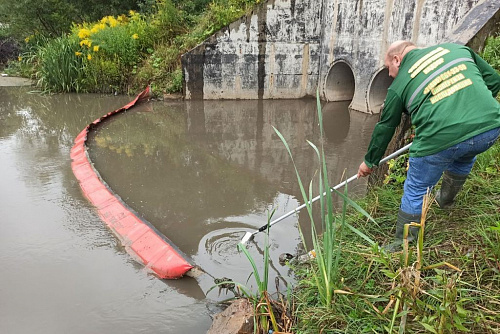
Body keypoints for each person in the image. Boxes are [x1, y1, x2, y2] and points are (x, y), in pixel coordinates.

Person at [357, 40, 500, 251]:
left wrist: (369, 162)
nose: (389, 75)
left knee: (416, 189)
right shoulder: (457, 49)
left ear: (397, 59)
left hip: (438, 141)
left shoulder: (399, 85)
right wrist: (472, 116)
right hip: (489, 130)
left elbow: (385, 127)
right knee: (464, 155)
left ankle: (403, 244)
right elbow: (494, 81)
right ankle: (445, 201)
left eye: (389, 68)